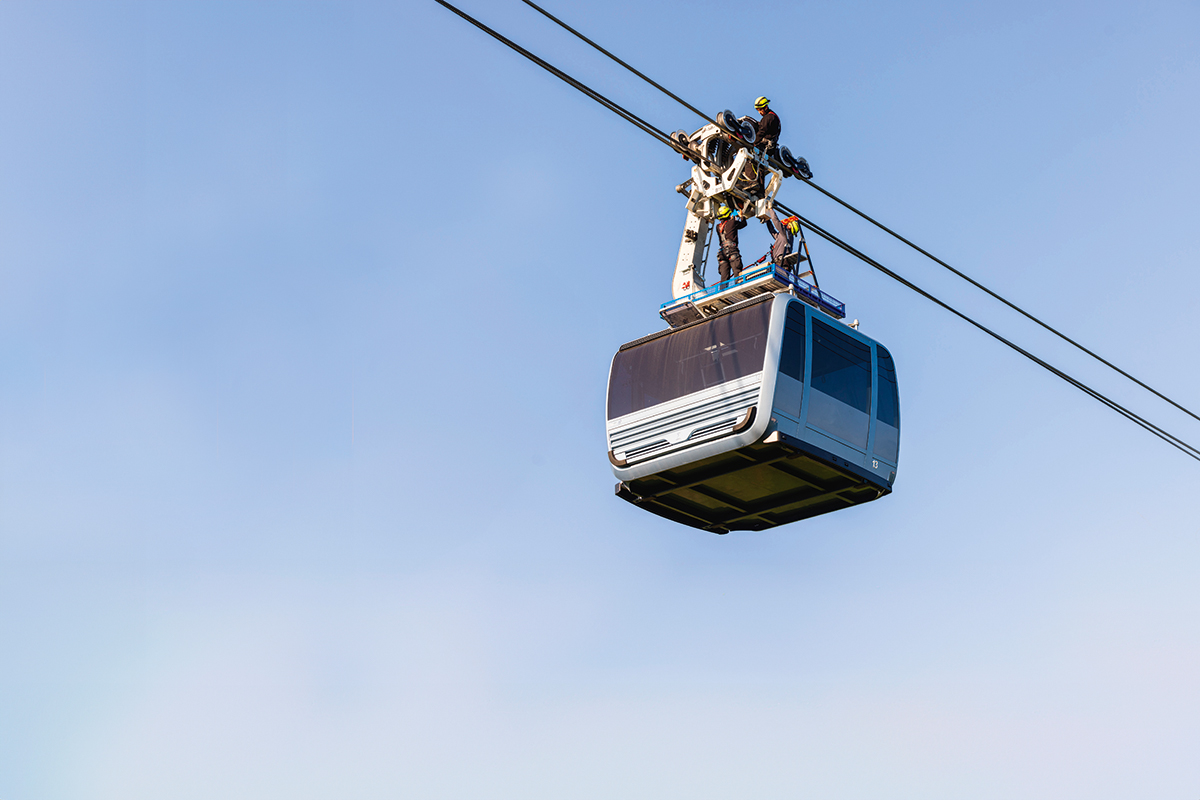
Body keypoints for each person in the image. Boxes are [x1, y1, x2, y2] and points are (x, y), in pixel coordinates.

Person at [715, 204, 747, 282]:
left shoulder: (718, 227)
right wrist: (741, 217)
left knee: (724, 277)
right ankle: (738, 288)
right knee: (737, 272)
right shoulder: (732, 222)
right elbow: (743, 224)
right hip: (732, 250)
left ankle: (722, 292)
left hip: (722, 253)